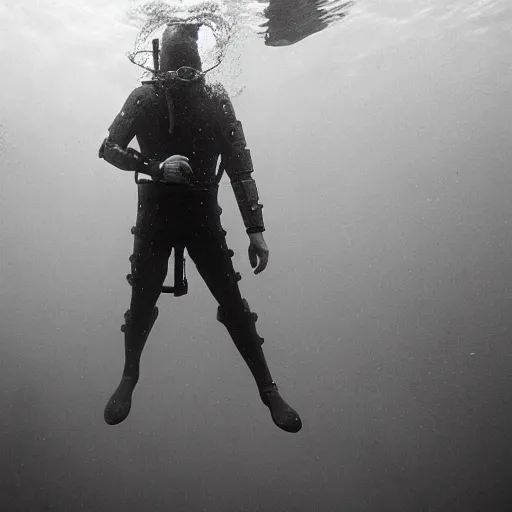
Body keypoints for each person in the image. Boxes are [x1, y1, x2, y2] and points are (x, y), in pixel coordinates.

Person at [98, 22, 302, 433]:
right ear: (166, 70)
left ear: (201, 69)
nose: (185, 81)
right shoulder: (145, 97)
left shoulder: (216, 99)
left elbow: (240, 167)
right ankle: (129, 375)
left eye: (191, 73)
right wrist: (154, 166)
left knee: (234, 302)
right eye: (179, 73)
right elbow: (108, 148)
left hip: (202, 218)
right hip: (156, 219)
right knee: (140, 304)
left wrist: (255, 229)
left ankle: (268, 388)